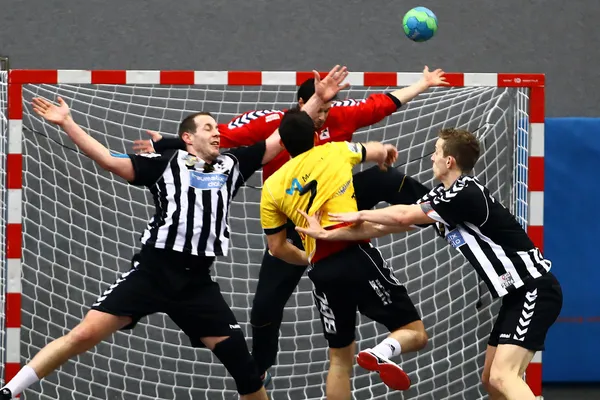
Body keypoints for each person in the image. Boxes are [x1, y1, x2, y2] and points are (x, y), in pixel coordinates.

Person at [0, 66, 349, 400]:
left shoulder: (233, 164)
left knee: (246, 370)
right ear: (188, 138)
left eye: (217, 128)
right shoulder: (163, 163)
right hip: (152, 273)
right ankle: (9, 390)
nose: (216, 132)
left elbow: (284, 134)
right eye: (208, 127)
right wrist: (67, 123)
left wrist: (317, 99)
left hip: (196, 285)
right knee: (82, 335)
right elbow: (108, 159)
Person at [134, 66, 448, 384]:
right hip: (297, 227)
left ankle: (440, 211)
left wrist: (423, 83)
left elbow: (384, 103)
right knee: (264, 308)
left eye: (328, 108)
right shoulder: (271, 125)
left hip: (341, 207)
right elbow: (221, 138)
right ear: (301, 104)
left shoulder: (341, 119)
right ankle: (261, 367)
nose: (324, 115)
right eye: (319, 109)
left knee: (386, 178)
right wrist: (168, 145)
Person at [296, 128, 563, 400]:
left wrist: (358, 212)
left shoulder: (465, 193)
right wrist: (327, 234)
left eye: (436, 152)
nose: (430, 158)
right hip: (514, 296)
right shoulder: (439, 200)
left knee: (503, 376)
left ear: (450, 161)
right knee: (491, 380)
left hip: (534, 288)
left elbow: (400, 216)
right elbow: (378, 227)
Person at [260, 109, 430, 399]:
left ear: (284, 146)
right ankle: (380, 352)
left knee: (339, 358)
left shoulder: (272, 188)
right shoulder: (335, 151)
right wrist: (384, 153)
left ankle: (372, 356)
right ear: (315, 135)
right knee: (415, 333)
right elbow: (377, 151)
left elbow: (276, 248)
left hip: (321, 272)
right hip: (355, 255)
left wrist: (309, 258)